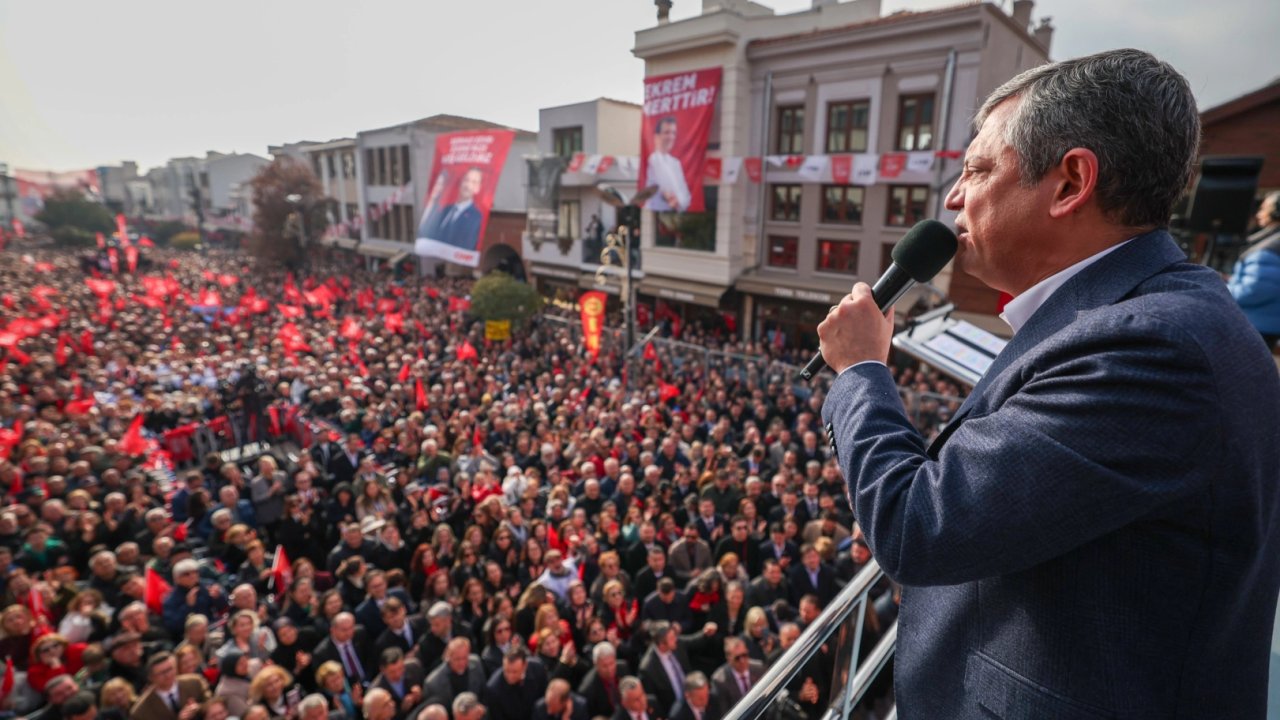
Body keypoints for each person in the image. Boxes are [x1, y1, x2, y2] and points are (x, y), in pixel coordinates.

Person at [817, 48, 1280, 718]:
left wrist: (861, 371)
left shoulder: (1153, 347)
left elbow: (920, 525)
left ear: (1071, 183)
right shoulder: (1152, 317)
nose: (953, 197)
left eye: (977, 169)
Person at [1227, 190, 1280, 347]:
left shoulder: (1271, 248)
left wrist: (1223, 288)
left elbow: (1255, 290)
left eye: (1264, 208)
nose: (1259, 213)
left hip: (1255, 326)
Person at [418, 168, 485, 252]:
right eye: (466, 180)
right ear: (461, 182)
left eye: (474, 182)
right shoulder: (446, 209)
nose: (468, 185)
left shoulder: (476, 216)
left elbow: (468, 246)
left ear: (477, 188)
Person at [128, 651, 211, 720]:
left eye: (170, 669)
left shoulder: (195, 682)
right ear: (151, 678)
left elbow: (212, 704)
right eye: (162, 673)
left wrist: (198, 708)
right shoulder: (141, 711)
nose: (168, 675)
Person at [644, 117, 692, 212]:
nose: (671, 137)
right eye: (666, 132)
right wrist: (671, 197)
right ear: (657, 136)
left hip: (675, 213)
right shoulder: (652, 159)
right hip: (657, 213)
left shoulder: (675, 163)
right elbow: (663, 189)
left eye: (673, 133)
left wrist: (678, 201)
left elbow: (685, 196)